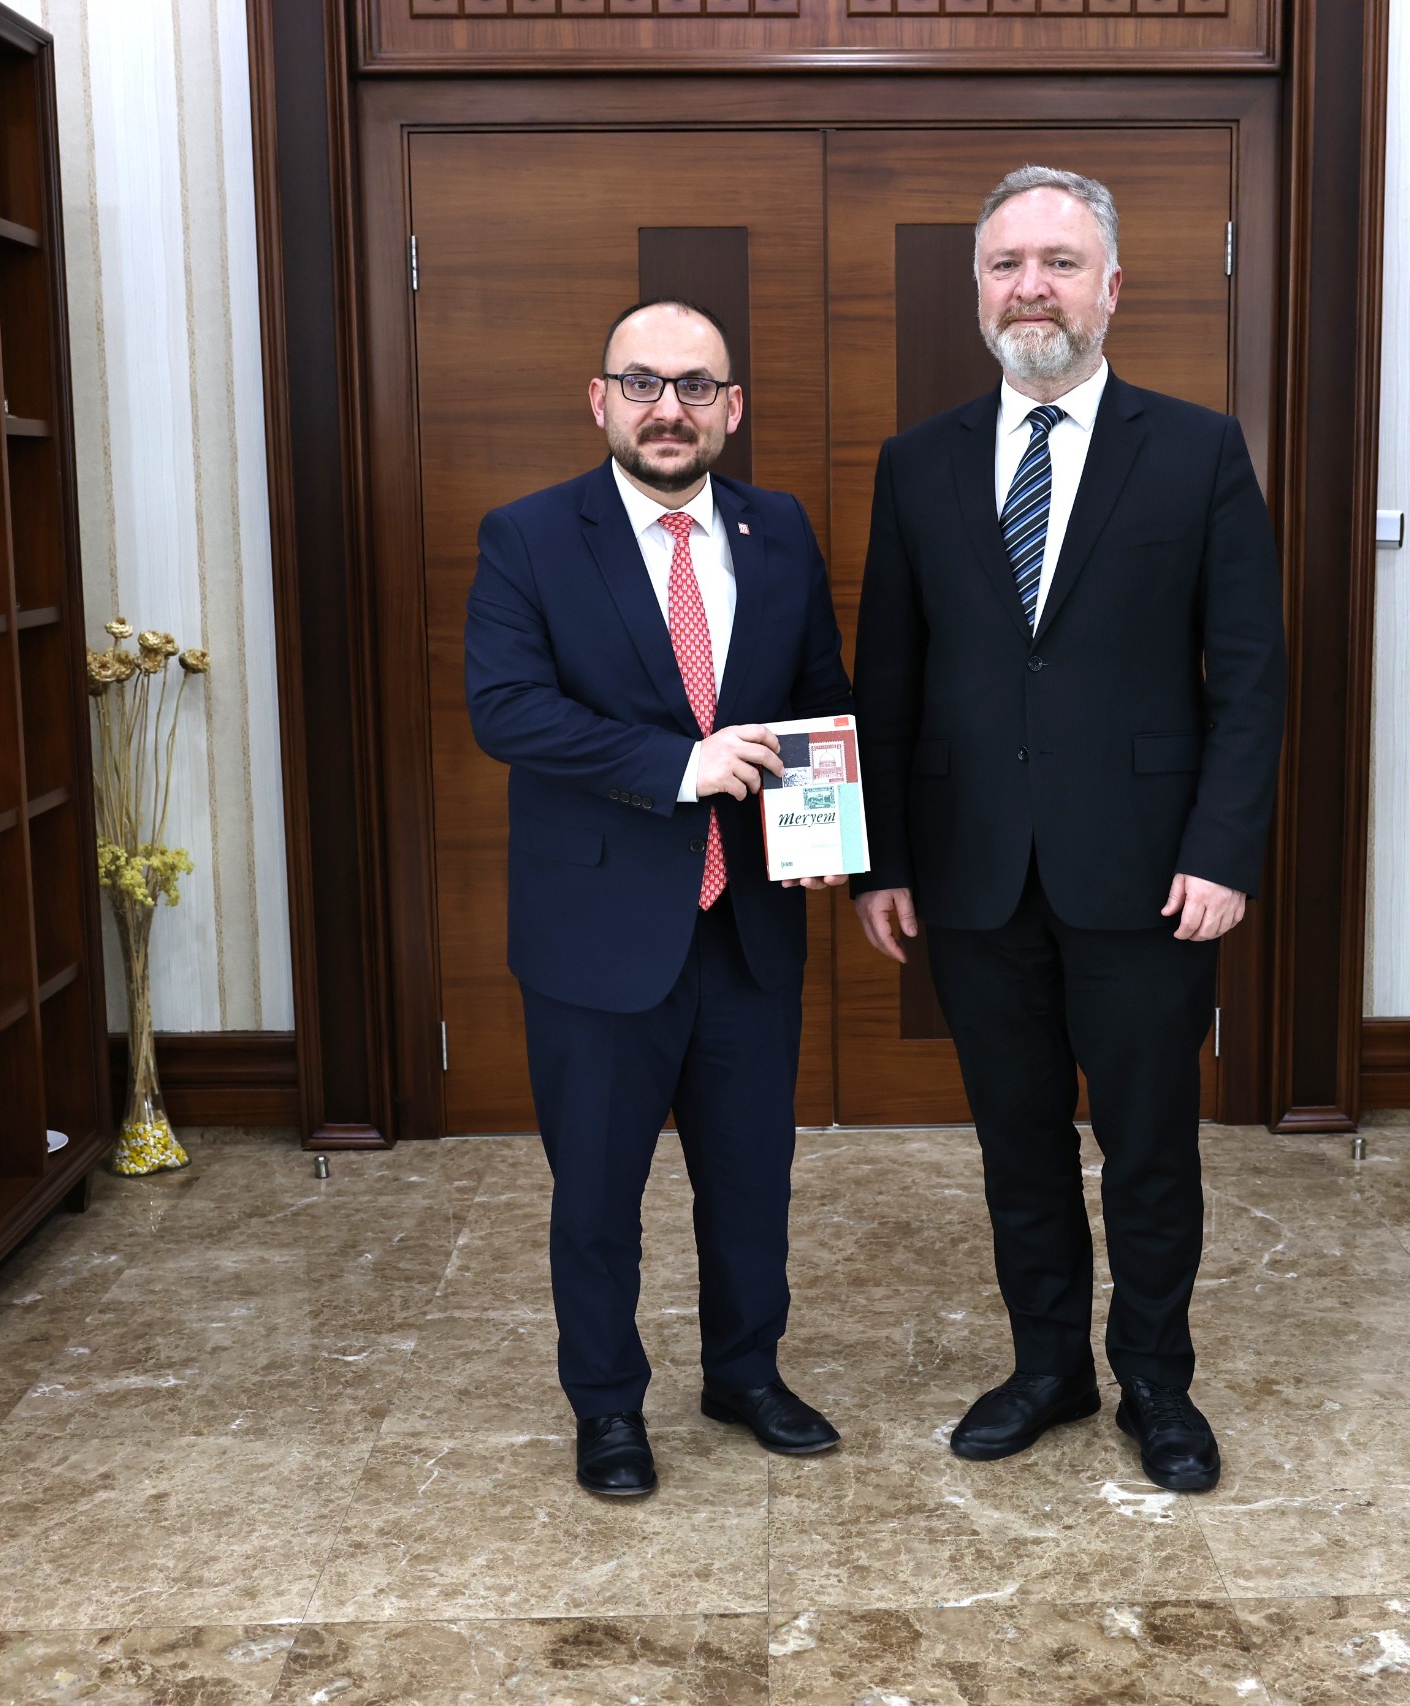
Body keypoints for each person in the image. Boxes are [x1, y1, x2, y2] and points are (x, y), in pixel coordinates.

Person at [849, 166, 1288, 1493]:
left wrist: (1222, 849)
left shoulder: (1198, 450)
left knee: (1149, 1145)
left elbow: (1250, 672)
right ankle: (1048, 1365)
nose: (1029, 286)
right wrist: (883, 859)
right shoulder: (917, 462)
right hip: (973, 875)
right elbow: (889, 677)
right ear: (977, 290)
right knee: (1018, 1142)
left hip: (1150, 874)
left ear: (1111, 287)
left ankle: (1156, 1379)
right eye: (1006, 264)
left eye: (1058, 261)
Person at [466, 299, 853, 1497]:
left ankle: (745, 1372)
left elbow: (818, 693)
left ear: (731, 407)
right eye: (641, 382)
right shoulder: (529, 535)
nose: (667, 408)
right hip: (597, 934)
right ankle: (606, 1405)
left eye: (694, 386)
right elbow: (507, 709)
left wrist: (824, 826)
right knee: (596, 1191)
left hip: (747, 925)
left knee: (751, 1179)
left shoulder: (779, 529)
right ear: (601, 400)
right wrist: (680, 765)